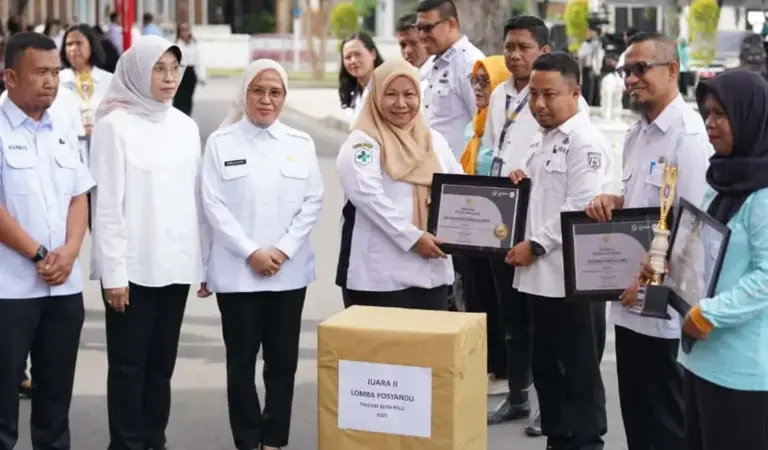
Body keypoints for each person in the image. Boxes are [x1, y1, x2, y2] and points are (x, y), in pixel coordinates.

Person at [585, 32, 713, 450]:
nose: (630, 79)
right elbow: (651, 207)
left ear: (672, 70)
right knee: (638, 418)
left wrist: (646, 281)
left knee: (666, 425)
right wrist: (613, 201)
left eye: (641, 69)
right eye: (626, 71)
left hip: (663, 311)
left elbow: (690, 232)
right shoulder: (637, 133)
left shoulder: (689, 137)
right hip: (627, 305)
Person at [89, 35, 210, 450]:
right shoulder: (113, 127)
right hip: (133, 271)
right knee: (127, 366)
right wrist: (113, 274)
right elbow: (106, 206)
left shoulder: (186, 127)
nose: (169, 77)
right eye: (158, 68)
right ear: (138, 72)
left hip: (174, 267)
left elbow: (197, 200)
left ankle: (153, 440)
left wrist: (204, 264)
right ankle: (125, 443)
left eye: (174, 68)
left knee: (161, 367)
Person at [202, 59, 323, 450]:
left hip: (288, 274)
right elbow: (212, 205)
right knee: (241, 364)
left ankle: (273, 440)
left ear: (284, 97)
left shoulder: (300, 144)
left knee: (282, 363)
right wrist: (251, 251)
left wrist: (283, 250)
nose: (266, 100)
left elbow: (313, 201)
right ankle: (247, 439)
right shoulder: (220, 143)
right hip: (238, 274)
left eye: (275, 92)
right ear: (244, 93)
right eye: (257, 91)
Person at [482, 16, 592, 434]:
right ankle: (523, 401)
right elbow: (501, 152)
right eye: (508, 46)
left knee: (557, 344)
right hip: (509, 226)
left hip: (551, 250)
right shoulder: (503, 99)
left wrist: (538, 241)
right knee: (517, 325)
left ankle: (559, 416)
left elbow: (577, 199)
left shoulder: (572, 121)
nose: (514, 55)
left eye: (523, 47)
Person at [507, 51, 609, 450]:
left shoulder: (583, 141)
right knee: (548, 372)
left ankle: (584, 443)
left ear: (575, 92)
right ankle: (559, 439)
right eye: (534, 95)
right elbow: (548, 196)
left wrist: (534, 244)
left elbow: (580, 206)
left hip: (571, 282)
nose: (539, 104)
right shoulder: (546, 136)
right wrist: (523, 182)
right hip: (540, 281)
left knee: (578, 375)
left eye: (549, 94)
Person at [0, 31, 94, 450]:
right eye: (40, 72)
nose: (52, 81)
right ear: (10, 77)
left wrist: (71, 251)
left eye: (55, 72)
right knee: (3, 409)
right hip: (9, 291)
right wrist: (39, 253)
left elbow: (79, 194)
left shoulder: (61, 126)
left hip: (63, 290)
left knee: (55, 404)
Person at [676, 69, 768, 450]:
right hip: (702, 361)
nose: (711, 124)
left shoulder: (762, 195)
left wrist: (707, 314)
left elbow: (765, 279)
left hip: (742, 372)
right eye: (707, 113)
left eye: (722, 114)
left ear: (749, 117)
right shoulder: (724, 181)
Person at [335, 59, 463, 309]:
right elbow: (370, 199)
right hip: (379, 277)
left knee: (427, 346)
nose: (401, 104)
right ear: (376, 96)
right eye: (391, 94)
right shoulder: (363, 143)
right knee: (379, 347)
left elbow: (459, 185)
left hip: (430, 272)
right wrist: (413, 239)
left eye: (409, 94)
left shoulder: (433, 140)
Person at [459, 55, 510, 396]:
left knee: (497, 300)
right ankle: (487, 363)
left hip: (496, 228)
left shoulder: (505, 127)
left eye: (485, 82)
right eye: (474, 81)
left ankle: (505, 370)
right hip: (468, 225)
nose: (478, 89)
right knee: (474, 295)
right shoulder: (473, 125)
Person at [417, 0, 484, 158]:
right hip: (432, 167)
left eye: (428, 28)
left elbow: (482, 125)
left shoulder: (470, 63)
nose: (421, 36)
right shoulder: (434, 63)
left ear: (451, 25)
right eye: (418, 28)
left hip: (456, 172)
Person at [59, 24, 113, 166]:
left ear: (91, 45)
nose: (73, 48)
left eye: (78, 43)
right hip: (68, 154)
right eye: (69, 44)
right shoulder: (57, 81)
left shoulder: (109, 81)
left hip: (102, 153)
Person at [338, 31, 383, 129]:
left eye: (358, 54)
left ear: (373, 54)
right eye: (348, 57)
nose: (353, 60)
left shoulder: (386, 88)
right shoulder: (354, 93)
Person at [395, 13, 433, 97]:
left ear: (425, 40)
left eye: (413, 43)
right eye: (403, 45)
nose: (407, 51)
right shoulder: (403, 80)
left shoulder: (442, 75)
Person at [173, 22, 206, 116]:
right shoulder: (176, 43)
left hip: (190, 72)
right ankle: (177, 115)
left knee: (188, 96)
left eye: (186, 30)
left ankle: (187, 115)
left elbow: (199, 60)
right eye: (182, 30)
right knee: (178, 96)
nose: (184, 32)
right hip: (179, 72)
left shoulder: (194, 44)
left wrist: (201, 76)